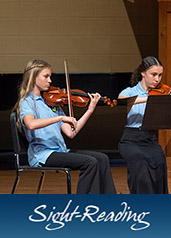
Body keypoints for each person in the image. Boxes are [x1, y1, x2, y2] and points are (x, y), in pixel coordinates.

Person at [13, 59, 116, 194]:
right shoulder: (27, 102)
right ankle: (85, 205)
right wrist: (60, 117)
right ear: (33, 77)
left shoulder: (52, 103)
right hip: (43, 154)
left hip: (61, 151)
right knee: (90, 163)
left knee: (102, 158)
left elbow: (71, 133)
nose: (50, 80)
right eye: (46, 76)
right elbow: (31, 124)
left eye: (50, 76)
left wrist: (90, 109)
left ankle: (110, 200)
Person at [118, 56, 168, 194]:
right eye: (153, 75)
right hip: (131, 140)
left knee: (160, 161)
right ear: (143, 73)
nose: (157, 79)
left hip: (150, 139)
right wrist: (148, 99)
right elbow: (121, 100)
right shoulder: (130, 92)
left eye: (160, 75)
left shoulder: (161, 93)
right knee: (141, 162)